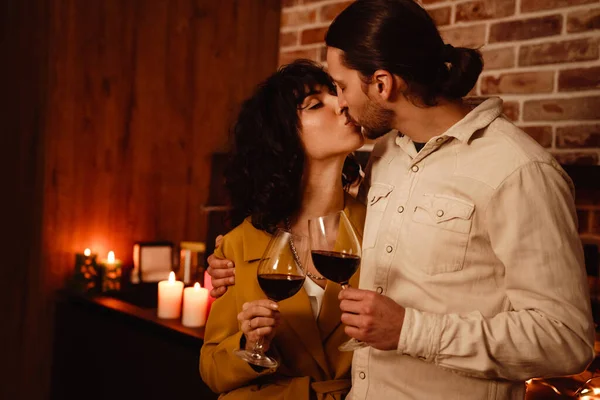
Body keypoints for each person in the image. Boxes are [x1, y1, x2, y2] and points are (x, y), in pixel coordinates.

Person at [206, 1, 595, 399]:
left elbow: (566, 340)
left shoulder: (520, 170)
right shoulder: (387, 155)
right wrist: (232, 255)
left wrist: (410, 330)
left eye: (339, 86)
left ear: (382, 84)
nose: (341, 103)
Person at [199, 59, 366, 400]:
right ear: (283, 137)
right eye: (316, 104)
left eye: (336, 93)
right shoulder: (239, 244)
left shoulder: (383, 223)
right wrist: (251, 343)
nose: (341, 103)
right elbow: (212, 370)